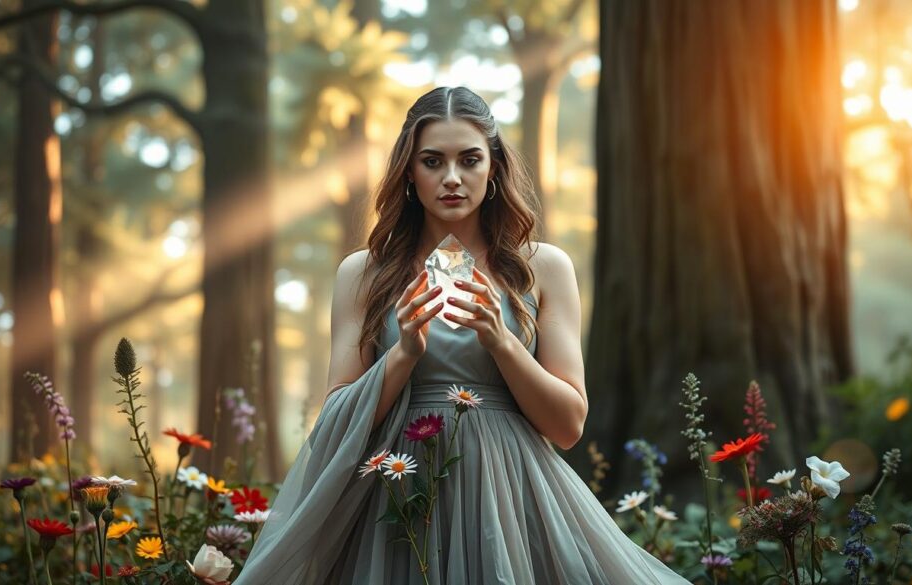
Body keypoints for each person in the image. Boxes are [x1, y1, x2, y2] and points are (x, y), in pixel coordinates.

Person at [233, 86, 691, 584]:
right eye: (433, 161)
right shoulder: (363, 273)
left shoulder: (543, 268)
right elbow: (335, 422)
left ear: (493, 168)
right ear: (409, 172)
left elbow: (568, 426)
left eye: (469, 160)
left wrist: (502, 342)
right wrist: (403, 354)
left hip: (512, 500)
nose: (452, 177)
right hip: (397, 497)